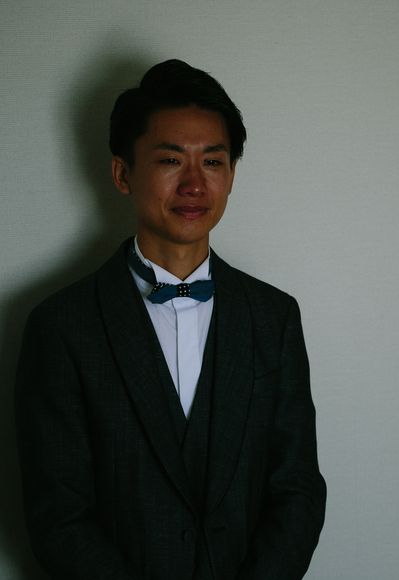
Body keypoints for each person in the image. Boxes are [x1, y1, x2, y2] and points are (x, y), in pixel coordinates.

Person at [15, 59, 326, 580]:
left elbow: (298, 489)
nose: (194, 184)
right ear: (122, 173)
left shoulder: (274, 317)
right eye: (170, 160)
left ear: (231, 176)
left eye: (213, 161)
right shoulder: (61, 326)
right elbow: (59, 518)